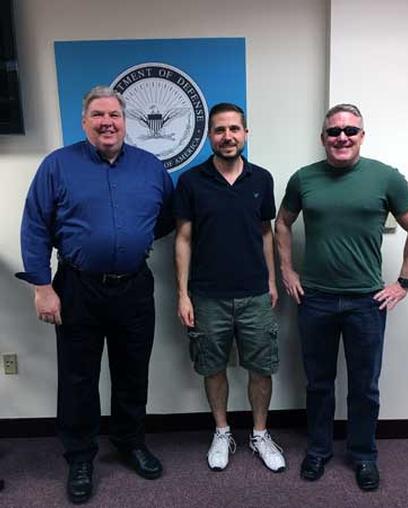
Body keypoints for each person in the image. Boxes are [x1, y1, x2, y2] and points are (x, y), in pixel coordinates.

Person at [16, 86, 174, 504]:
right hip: (77, 289)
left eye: (115, 115)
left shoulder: (150, 167)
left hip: (134, 287)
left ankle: (129, 442)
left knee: (132, 371)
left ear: (126, 121)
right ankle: (80, 456)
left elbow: (163, 220)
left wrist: (126, 243)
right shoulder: (58, 165)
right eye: (98, 115)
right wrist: (42, 287)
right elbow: (34, 226)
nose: (108, 122)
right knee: (77, 377)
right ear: (84, 121)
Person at [275, 104, 408, 491]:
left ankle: (363, 455)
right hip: (317, 300)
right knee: (319, 383)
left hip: (367, 302)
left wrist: (403, 282)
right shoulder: (304, 179)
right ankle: (319, 450)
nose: (342, 137)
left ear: (362, 135)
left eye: (350, 131)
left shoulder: (385, 178)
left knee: (364, 385)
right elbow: (282, 223)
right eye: (334, 131)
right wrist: (288, 270)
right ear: (323, 137)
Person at [174, 103, 285, 473]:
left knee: (261, 368)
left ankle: (259, 433)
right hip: (207, 296)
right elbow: (184, 239)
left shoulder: (261, 179)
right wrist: (183, 293)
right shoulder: (191, 181)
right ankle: (222, 431)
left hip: (254, 293)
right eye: (220, 130)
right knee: (212, 367)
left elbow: (265, 232)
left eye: (234, 129)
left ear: (246, 134)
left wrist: (271, 280)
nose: (228, 136)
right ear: (210, 137)